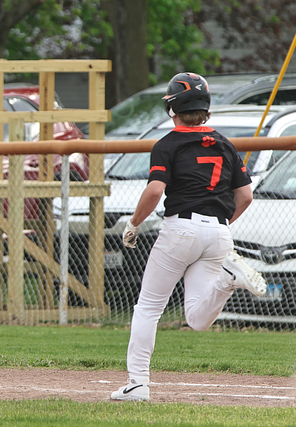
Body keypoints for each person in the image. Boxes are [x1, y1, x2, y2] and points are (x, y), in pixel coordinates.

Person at [110, 72, 267, 402]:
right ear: (206, 107)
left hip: (181, 229)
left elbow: (155, 190)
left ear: (172, 108)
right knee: (196, 319)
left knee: (148, 307)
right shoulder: (225, 143)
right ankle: (228, 280)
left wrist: (134, 223)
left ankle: (137, 384)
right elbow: (246, 195)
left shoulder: (167, 144)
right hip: (219, 232)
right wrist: (219, 225)